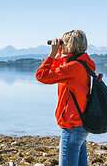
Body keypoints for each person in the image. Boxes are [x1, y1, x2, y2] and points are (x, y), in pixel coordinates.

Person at [35, 30, 96, 166]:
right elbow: (57, 75)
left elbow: (41, 75)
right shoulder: (83, 64)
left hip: (72, 126)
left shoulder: (73, 67)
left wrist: (52, 54)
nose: (60, 45)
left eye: (63, 42)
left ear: (71, 45)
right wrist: (58, 57)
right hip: (81, 123)